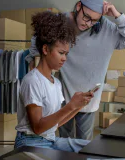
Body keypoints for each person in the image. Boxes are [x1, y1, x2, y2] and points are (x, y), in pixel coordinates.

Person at [25, 0, 125, 140]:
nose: (88, 23)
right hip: (63, 94)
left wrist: (117, 15)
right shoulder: (62, 22)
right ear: (79, 6)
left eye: (94, 21)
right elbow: (38, 39)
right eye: (87, 17)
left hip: (88, 98)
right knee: (64, 140)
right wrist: (32, 61)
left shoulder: (106, 29)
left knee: (83, 143)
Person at [15, 11, 94, 153]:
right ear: (45, 49)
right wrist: (70, 106)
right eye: (61, 53)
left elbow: (54, 124)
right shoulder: (32, 81)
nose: (64, 58)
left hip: (50, 139)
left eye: (66, 54)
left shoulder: (56, 83)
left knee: (91, 148)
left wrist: (78, 106)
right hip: (31, 142)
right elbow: (38, 128)